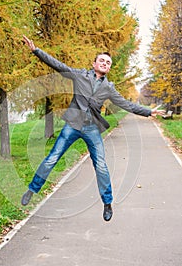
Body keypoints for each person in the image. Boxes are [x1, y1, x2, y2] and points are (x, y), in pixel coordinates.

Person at [21, 35, 165, 222]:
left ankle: (107, 203)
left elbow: (126, 105)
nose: (105, 64)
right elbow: (58, 65)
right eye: (102, 60)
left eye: (108, 63)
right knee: (52, 158)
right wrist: (36, 51)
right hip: (72, 125)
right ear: (94, 63)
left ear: (109, 68)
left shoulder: (109, 88)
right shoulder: (80, 75)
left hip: (91, 129)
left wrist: (148, 112)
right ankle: (33, 189)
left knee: (102, 166)